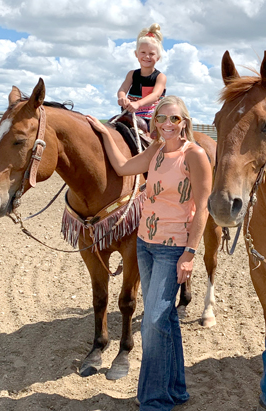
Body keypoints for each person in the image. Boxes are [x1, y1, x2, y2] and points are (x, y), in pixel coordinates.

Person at [87, 96, 211, 411]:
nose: (167, 125)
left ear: (185, 121)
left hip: (173, 248)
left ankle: (154, 400)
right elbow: (122, 166)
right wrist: (102, 132)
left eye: (174, 119)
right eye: (161, 119)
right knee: (165, 318)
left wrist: (190, 253)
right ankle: (176, 389)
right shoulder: (155, 150)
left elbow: (203, 208)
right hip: (145, 243)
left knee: (153, 320)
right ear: (154, 122)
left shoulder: (194, 155)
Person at [117, 23, 167, 131]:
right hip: (130, 115)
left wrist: (138, 104)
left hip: (151, 117)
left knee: (152, 136)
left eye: (151, 54)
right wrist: (122, 97)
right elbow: (123, 89)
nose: (147, 56)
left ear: (158, 57)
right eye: (143, 52)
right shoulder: (132, 74)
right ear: (136, 54)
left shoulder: (160, 77)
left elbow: (155, 95)